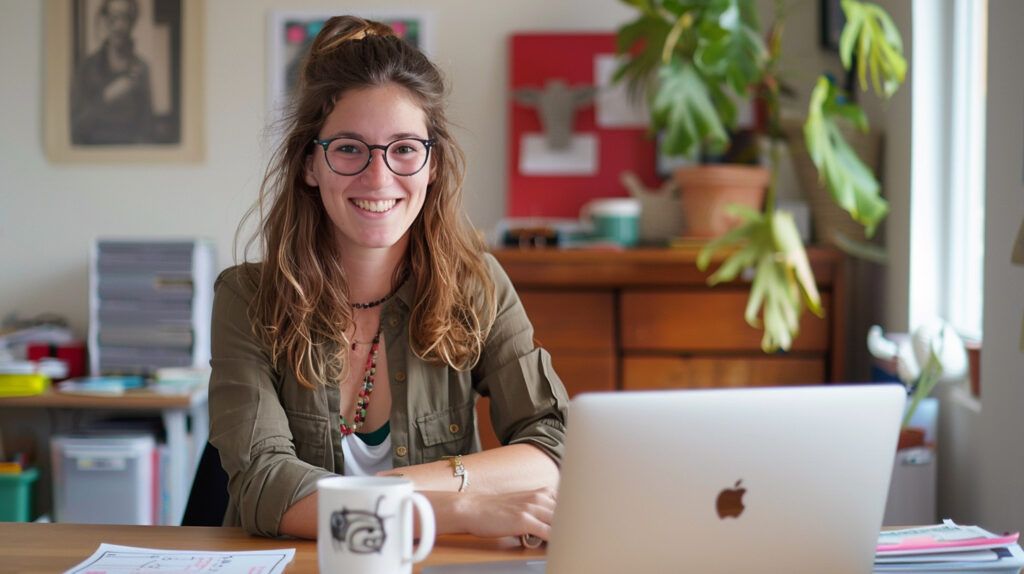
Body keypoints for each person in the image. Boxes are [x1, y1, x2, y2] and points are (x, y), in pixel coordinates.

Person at [209, 15, 568, 540]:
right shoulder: (246, 298)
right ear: (311, 165)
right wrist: (454, 508)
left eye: (403, 148)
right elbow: (264, 487)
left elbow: (552, 443)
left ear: (433, 165)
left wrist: (372, 495)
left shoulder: (476, 285)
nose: (379, 178)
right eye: (350, 148)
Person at [70, 0, 155, 145]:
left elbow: (146, 129)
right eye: (113, 17)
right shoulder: (86, 67)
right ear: (103, 20)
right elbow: (75, 127)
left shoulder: (141, 68)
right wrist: (106, 97)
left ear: (132, 22)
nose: (119, 26)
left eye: (125, 17)